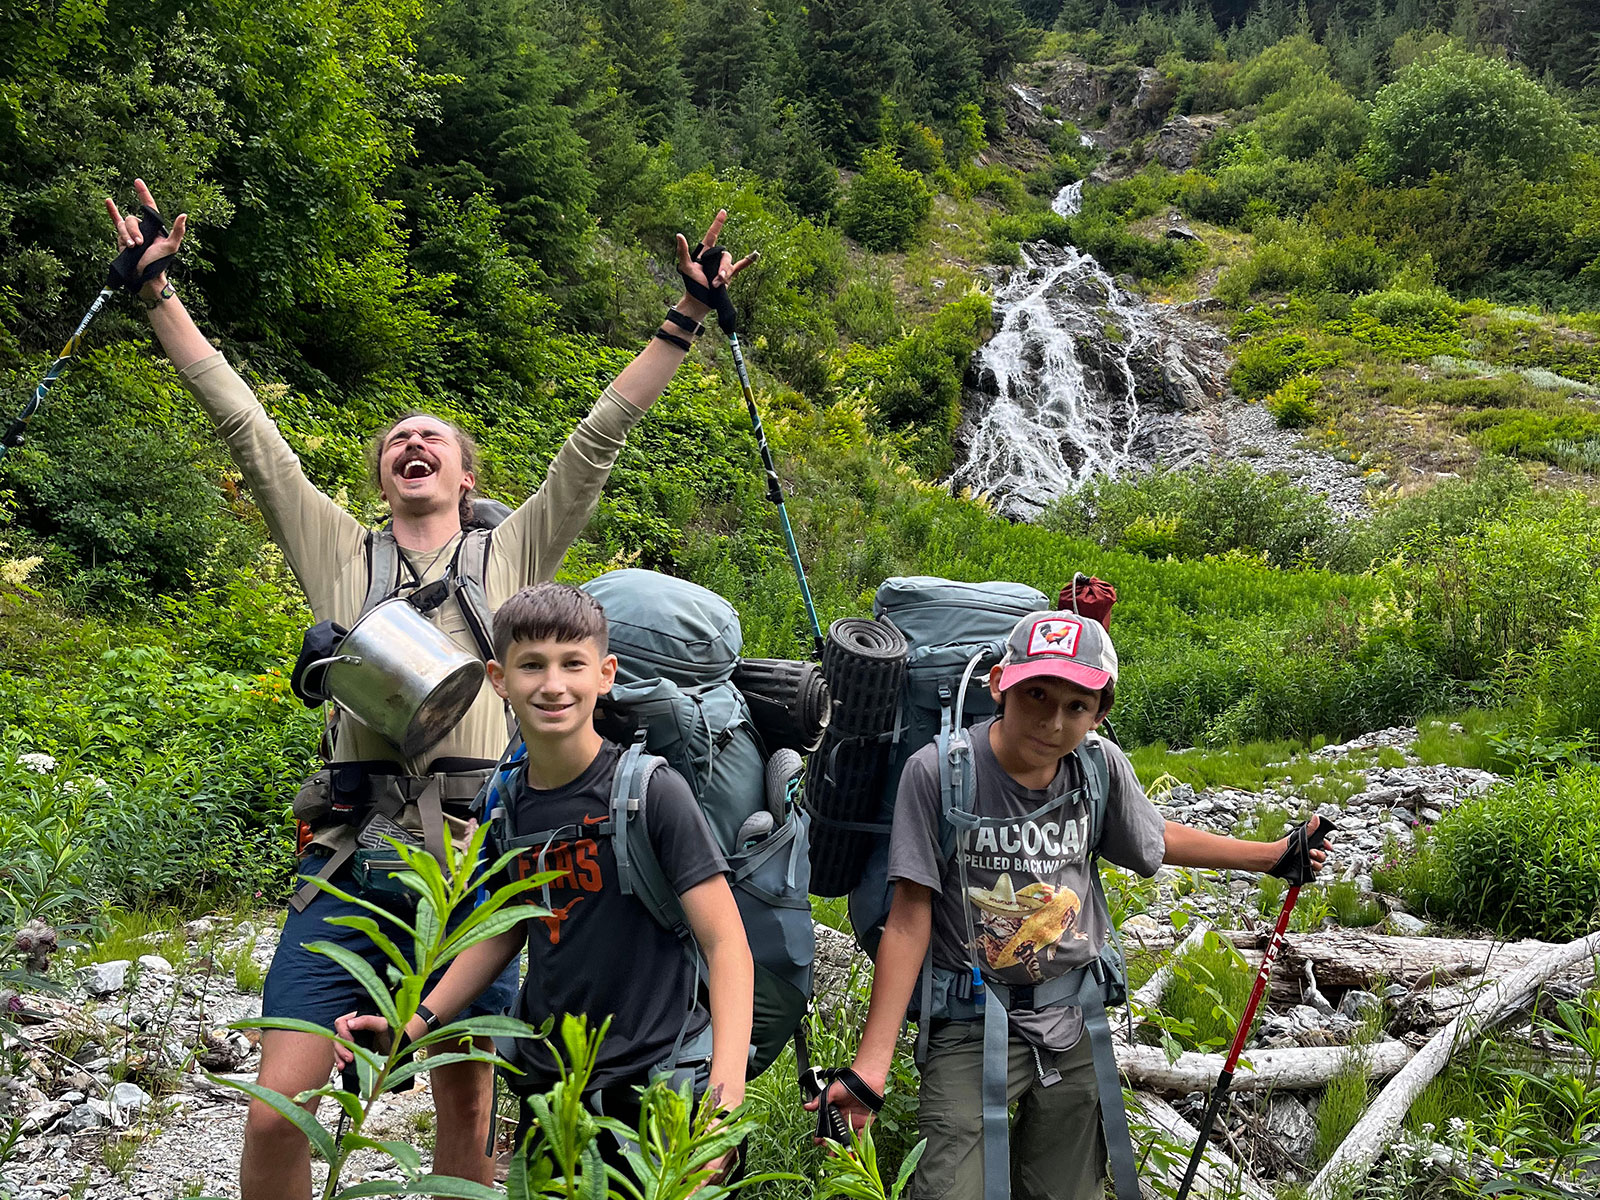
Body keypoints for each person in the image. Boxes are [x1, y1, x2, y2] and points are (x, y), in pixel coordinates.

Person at [103, 179, 753, 1198]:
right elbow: (246, 432)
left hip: (476, 857)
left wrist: (684, 318)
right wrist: (156, 295)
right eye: (397, 439)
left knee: (467, 1099)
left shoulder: (514, 551)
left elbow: (596, 441)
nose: (414, 444)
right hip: (353, 857)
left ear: (463, 473)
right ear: (382, 474)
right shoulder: (339, 554)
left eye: (435, 439)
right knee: (281, 1100)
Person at [808, 608, 1333, 1200]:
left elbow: (1156, 839)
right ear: (999, 684)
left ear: (1100, 713)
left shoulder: (1098, 769)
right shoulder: (938, 772)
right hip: (969, 1019)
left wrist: (1272, 855)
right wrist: (870, 1069)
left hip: (1075, 1018)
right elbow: (908, 920)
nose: (1053, 722)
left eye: (1077, 706)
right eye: (1036, 694)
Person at [334, 582, 754, 1179]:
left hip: (656, 1085)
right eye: (531, 665)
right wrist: (414, 1024)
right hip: (550, 1087)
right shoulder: (505, 803)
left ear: (605, 673)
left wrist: (723, 1100)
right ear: (498, 678)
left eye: (572, 664)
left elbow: (726, 944)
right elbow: (505, 927)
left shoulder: (652, 794)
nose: (553, 684)